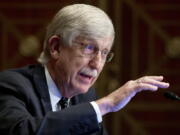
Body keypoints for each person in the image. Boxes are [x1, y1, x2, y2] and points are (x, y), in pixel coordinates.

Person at [0, 4, 169, 135]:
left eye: (104, 53)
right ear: (56, 47)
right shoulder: (12, 85)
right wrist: (105, 105)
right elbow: (21, 131)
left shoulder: (84, 97)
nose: (97, 64)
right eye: (89, 48)